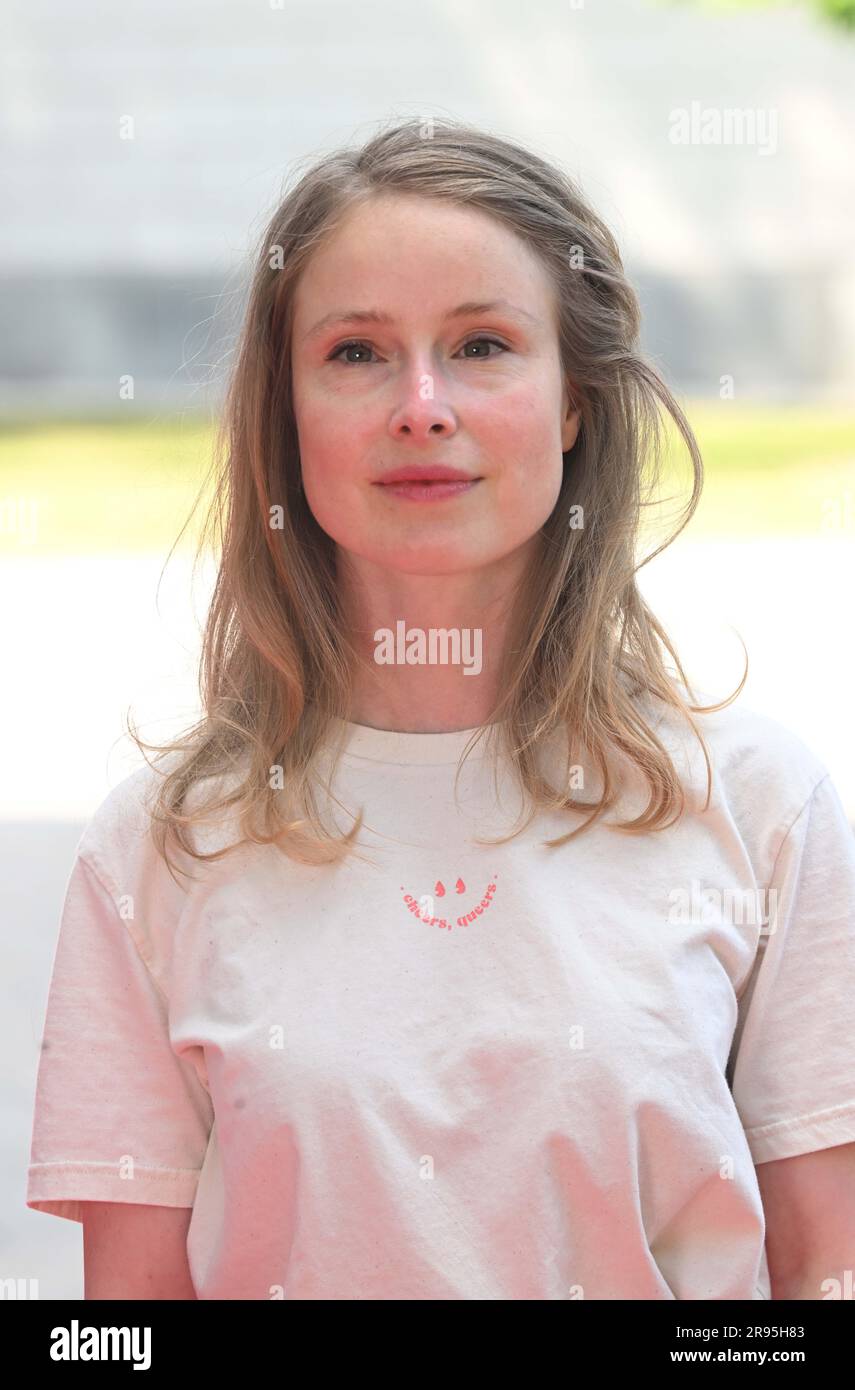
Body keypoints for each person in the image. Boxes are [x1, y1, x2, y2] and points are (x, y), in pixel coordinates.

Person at [26, 117, 855, 1301]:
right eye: (357, 354)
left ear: (575, 401)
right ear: (289, 412)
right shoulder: (158, 848)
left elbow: (828, 1274)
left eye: (481, 343)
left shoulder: (762, 808)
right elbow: (125, 1325)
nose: (421, 406)